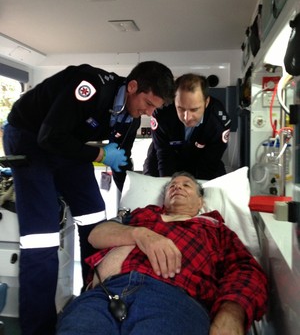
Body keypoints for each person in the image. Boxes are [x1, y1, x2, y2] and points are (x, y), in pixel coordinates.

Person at [2, 61, 174, 335]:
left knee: (97, 223)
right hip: (30, 138)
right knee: (41, 241)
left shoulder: (129, 116)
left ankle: (91, 303)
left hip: (67, 144)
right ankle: (38, 329)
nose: (149, 112)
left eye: (155, 108)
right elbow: (50, 136)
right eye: (148, 103)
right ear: (132, 87)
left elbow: (121, 163)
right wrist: (100, 155)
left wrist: (137, 201)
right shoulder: (92, 86)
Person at [56, 172, 268, 335]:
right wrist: (140, 234)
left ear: (201, 202)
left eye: (186, 186)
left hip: (174, 300)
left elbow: (245, 270)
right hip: (104, 295)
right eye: (172, 186)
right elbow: (96, 235)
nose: (177, 188)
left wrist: (232, 312)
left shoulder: (215, 229)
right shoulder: (141, 215)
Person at [143, 73, 231, 179]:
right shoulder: (161, 114)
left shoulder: (218, 122)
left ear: (206, 102)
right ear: (174, 100)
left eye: (194, 109)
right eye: (181, 108)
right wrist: (168, 185)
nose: (187, 117)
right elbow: (164, 155)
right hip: (164, 154)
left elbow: (209, 163)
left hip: (201, 157)